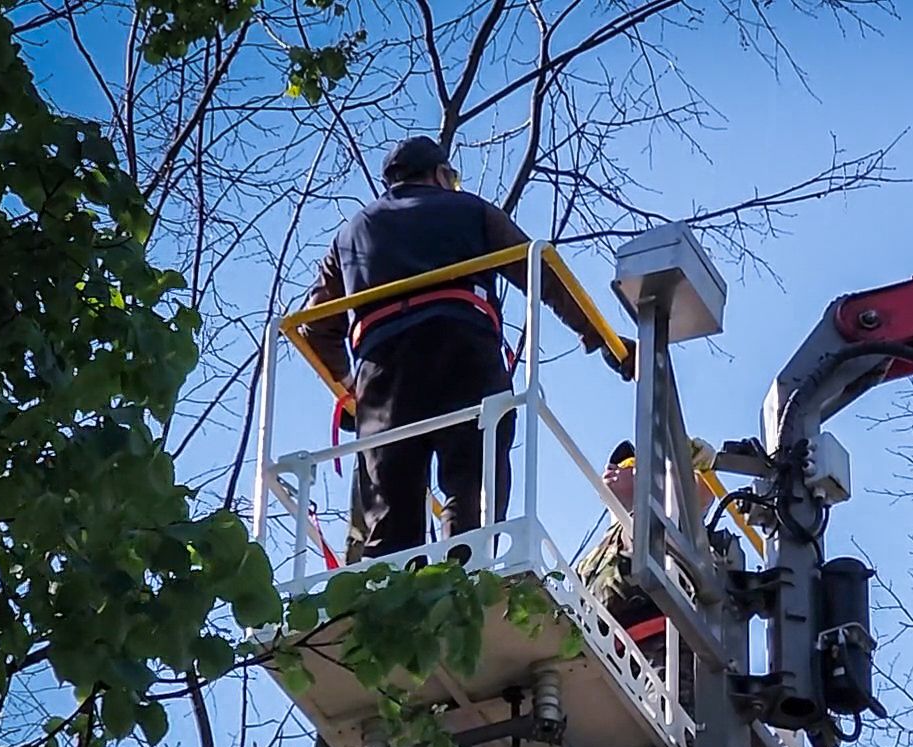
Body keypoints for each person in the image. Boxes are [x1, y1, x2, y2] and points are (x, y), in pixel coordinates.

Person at [302, 135, 631, 563]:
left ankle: (391, 593)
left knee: (390, 495)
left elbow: (312, 324)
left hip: (384, 373)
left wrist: (349, 389)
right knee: (472, 479)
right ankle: (464, 577)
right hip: (463, 355)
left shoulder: (349, 236)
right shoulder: (469, 209)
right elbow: (541, 273)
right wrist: (603, 338)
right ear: (441, 175)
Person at [573, 440, 718, 710]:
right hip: (606, 666)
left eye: (629, 466)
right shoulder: (593, 557)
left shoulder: (662, 522)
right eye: (616, 465)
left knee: (666, 728)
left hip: (661, 656)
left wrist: (667, 471)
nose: (615, 469)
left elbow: (698, 496)